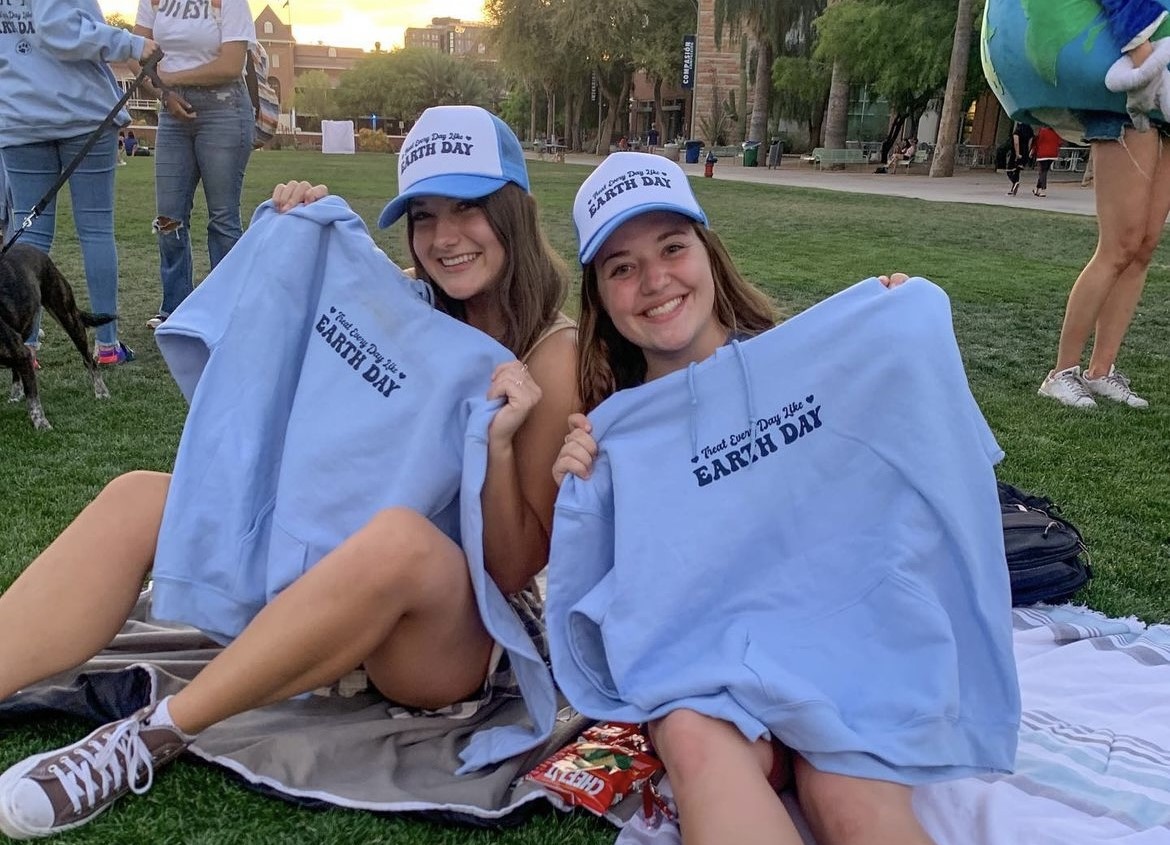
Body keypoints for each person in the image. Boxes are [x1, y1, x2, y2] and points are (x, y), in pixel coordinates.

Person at [0, 105, 577, 839]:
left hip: (449, 633)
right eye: (424, 216)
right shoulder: (402, 297)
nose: (444, 238)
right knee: (137, 496)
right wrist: (302, 238)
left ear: (516, 210)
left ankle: (148, 737)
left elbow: (513, 565)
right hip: (327, 570)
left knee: (400, 537)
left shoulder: (553, 354)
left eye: (469, 209)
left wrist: (497, 447)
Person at [551, 153, 1011, 845]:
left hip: (844, 650)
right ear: (600, 297)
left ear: (708, 252)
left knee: (853, 802)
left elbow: (910, 445)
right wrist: (584, 495)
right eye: (621, 267)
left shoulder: (808, 370)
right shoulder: (614, 434)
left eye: (672, 248)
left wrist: (894, 329)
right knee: (696, 741)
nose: (654, 280)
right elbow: (612, 600)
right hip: (707, 675)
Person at [0, 0, 159, 366]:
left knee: (30, 232)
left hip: (18, 115)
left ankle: (26, 343)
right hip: (79, 110)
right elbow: (56, 26)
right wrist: (132, 45)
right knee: (95, 229)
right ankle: (107, 346)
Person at [1037, 0, 1167, 407]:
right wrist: (1145, 60)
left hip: (1164, 101)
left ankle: (1101, 371)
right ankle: (1061, 373)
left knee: (1144, 246)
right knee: (1119, 244)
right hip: (1129, 95)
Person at [133, 0, 257, 331]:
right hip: (171, 111)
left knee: (223, 217)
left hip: (224, 107)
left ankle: (225, 308)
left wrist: (172, 76)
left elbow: (232, 64)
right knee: (168, 217)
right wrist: (164, 94)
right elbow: (137, 53)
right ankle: (175, 307)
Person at [1032, 125, 1063, 197]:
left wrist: (1033, 151)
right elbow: (1060, 142)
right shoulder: (1056, 132)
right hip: (1053, 154)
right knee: (1044, 171)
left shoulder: (1042, 130)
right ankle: (1037, 189)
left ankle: (1043, 190)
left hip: (1042, 153)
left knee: (1042, 172)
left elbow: (1038, 141)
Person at [1005, 121, 1034, 196]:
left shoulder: (1017, 131)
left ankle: (1015, 182)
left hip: (1016, 153)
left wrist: (1017, 153)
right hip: (1025, 152)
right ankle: (1013, 188)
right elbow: (1029, 143)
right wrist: (1027, 153)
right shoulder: (1030, 131)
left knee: (1009, 170)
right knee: (1017, 170)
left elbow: (1016, 142)